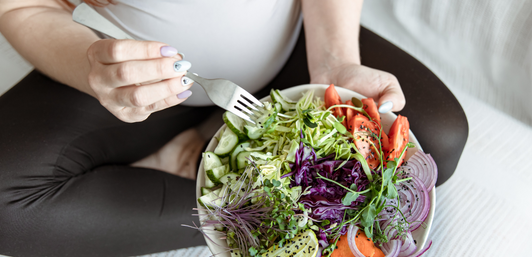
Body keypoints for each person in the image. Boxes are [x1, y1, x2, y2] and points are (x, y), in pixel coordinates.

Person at [0, 0, 409, 256]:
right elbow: (19, 6)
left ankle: (229, 197)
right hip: (142, 83)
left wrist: (333, 64)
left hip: (299, 43)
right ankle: (241, 212)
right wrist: (93, 67)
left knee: (438, 140)